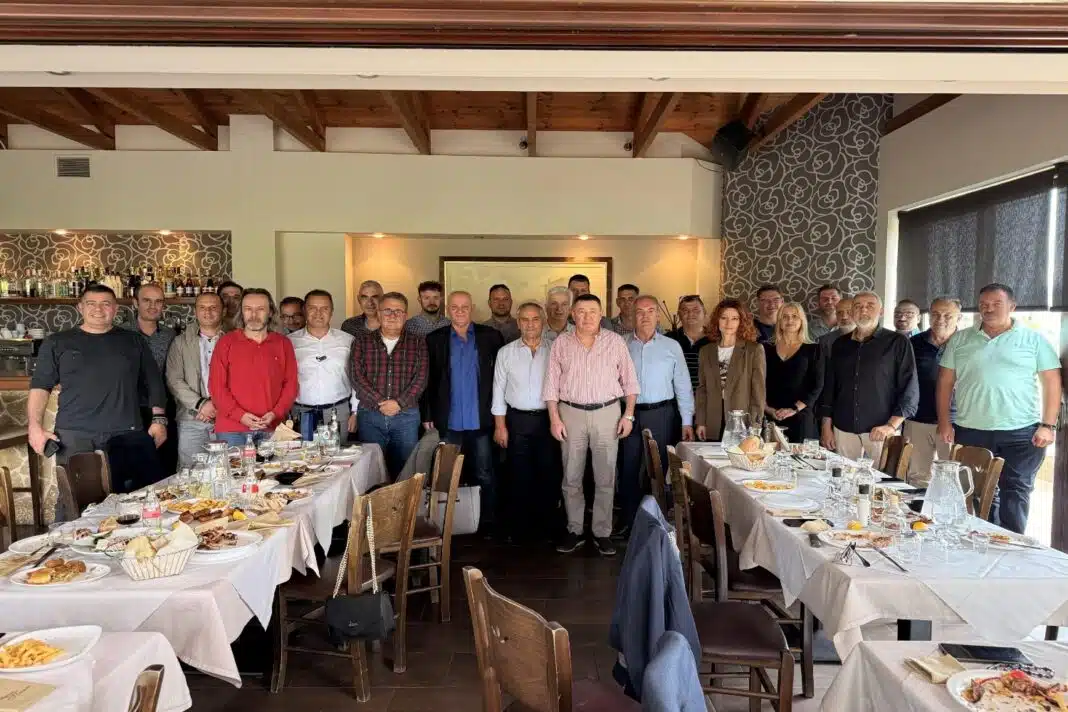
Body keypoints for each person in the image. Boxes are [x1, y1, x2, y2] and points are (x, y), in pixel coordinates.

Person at [937, 284, 1061, 534]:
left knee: (1015, 490)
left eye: (996, 304)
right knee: (977, 491)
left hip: (1021, 432)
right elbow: (945, 382)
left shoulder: (1033, 339)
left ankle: (1012, 544)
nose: (989, 309)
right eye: (983, 305)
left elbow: (1052, 382)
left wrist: (1048, 425)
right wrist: (944, 422)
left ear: (1012, 307)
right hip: (971, 430)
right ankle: (984, 541)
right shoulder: (960, 339)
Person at [29, 284, 166, 491]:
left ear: (116, 309)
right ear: (80, 307)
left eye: (106, 304)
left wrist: (159, 420)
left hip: (126, 433)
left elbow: (153, 381)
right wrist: (35, 427)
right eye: (91, 303)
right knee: (76, 499)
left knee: (133, 498)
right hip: (76, 435)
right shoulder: (57, 342)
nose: (98, 309)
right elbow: (40, 386)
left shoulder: (133, 340)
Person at [543, 293, 640, 557]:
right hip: (570, 413)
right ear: (573, 314)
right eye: (581, 311)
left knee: (605, 475)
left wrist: (628, 415)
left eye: (592, 311)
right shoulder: (561, 343)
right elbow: (551, 384)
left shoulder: (615, 341)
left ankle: (602, 532)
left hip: (608, 412)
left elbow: (630, 382)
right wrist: (554, 418)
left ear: (601, 315)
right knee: (571, 475)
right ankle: (574, 529)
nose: (587, 317)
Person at [422, 291, 504, 535]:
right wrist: (427, 414)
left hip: (481, 419)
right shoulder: (434, 339)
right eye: (455, 307)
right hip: (448, 420)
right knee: (445, 474)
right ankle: (446, 523)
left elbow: (501, 378)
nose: (459, 311)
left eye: (464, 307)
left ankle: (487, 521)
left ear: (472, 308)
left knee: (485, 472)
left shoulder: (490, 336)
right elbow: (427, 380)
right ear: (448, 309)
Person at [619, 295, 693, 533]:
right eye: (640, 311)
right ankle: (629, 521)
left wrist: (687, 421)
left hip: (661, 413)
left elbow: (683, 384)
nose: (645, 316)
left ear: (658, 315)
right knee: (628, 467)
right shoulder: (620, 344)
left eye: (651, 311)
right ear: (633, 315)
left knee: (659, 468)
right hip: (627, 414)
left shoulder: (671, 346)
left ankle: (658, 521)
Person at [819, 292, 918, 463]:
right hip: (843, 427)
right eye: (858, 306)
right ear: (852, 312)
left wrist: (891, 426)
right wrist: (826, 426)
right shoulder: (840, 344)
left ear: (881, 311)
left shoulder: (897, 342)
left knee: (884, 478)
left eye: (870, 306)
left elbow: (909, 388)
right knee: (843, 475)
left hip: (881, 428)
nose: (863, 310)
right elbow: (830, 387)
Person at [491, 301, 561, 543]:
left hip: (548, 420)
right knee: (518, 475)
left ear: (543, 322)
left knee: (548, 473)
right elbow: (498, 392)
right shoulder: (506, 352)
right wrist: (500, 426)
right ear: (518, 323)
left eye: (535, 319)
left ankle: (547, 529)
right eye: (525, 320)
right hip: (516, 420)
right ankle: (520, 530)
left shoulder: (555, 350)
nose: (530, 324)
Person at [351, 292, 428, 477]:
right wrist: (380, 402)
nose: (393, 315)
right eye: (387, 310)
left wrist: (398, 403)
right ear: (378, 313)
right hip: (370, 416)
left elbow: (421, 378)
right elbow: (356, 377)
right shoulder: (362, 341)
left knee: (405, 472)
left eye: (398, 311)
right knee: (371, 472)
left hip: (406, 417)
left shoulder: (418, 343)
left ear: (406, 315)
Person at [209, 288, 298, 446]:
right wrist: (240, 415)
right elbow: (216, 387)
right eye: (248, 309)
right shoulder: (226, 343)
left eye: (260, 309)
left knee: (275, 464)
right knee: (235, 464)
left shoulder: (283, 343)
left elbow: (291, 385)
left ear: (270, 312)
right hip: (232, 429)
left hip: (272, 427)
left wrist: (276, 413)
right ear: (241, 312)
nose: (254, 315)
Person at [288, 289, 359, 445]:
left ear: (332, 311)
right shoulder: (289, 342)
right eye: (312, 308)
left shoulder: (348, 341)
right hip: (301, 413)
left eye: (324, 308)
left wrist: (355, 412)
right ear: (304, 310)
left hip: (338, 412)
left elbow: (357, 379)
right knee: (303, 456)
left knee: (337, 456)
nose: (318, 313)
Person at [904, 297, 961, 485]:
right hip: (918, 419)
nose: (940, 319)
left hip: (956, 421)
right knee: (916, 477)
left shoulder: (966, 343)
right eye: (935, 314)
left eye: (947, 315)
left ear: (959, 318)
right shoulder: (913, 343)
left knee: (953, 479)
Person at [166, 291, 225, 467]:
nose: (208, 312)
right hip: (191, 419)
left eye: (213, 307)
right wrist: (201, 405)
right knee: (190, 472)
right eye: (202, 307)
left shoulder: (235, 340)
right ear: (195, 311)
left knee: (228, 469)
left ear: (222, 310)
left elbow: (241, 380)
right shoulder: (180, 342)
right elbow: (174, 379)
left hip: (227, 419)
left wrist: (218, 407)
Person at [694, 298, 765, 441]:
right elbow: (702, 389)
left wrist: (755, 426)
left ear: (741, 322)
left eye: (734, 318)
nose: (728, 323)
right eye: (724, 318)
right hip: (711, 421)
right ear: (717, 320)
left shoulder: (754, 350)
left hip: (742, 423)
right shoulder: (705, 351)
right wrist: (700, 421)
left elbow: (758, 392)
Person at [127, 282, 177, 476]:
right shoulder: (121, 334)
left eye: (158, 301)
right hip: (130, 408)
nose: (153, 306)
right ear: (135, 303)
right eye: (147, 300)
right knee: (134, 469)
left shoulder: (170, 335)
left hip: (165, 407)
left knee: (164, 466)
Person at [763, 303, 823, 443]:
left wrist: (794, 409)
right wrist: (768, 409)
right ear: (779, 321)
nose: (790, 320)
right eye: (785, 317)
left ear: (802, 321)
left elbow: (817, 385)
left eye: (795, 316)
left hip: (801, 417)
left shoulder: (814, 349)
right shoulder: (765, 348)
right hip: (771, 415)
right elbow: (758, 382)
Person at [667, 295, 710, 393]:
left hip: (708, 398)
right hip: (676, 399)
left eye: (696, 310)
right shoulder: (668, 340)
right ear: (679, 315)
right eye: (685, 311)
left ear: (704, 313)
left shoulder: (716, 340)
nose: (690, 314)